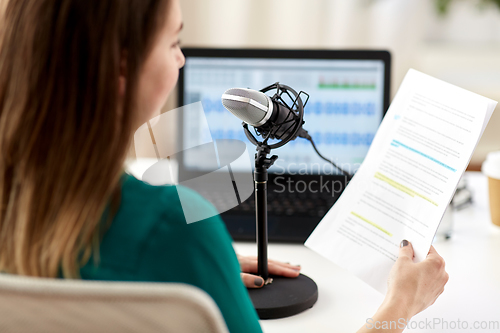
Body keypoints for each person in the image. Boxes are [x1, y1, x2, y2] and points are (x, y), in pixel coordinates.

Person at [0, 0, 448, 332]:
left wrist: (198, 267)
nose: (180, 58)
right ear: (121, 66)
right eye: (174, 42)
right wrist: (400, 304)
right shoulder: (172, 228)